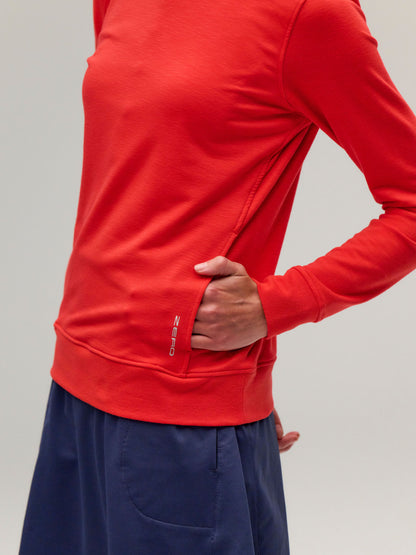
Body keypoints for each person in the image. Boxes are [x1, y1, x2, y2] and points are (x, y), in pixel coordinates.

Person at [19, 0, 416, 553]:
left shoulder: (311, 14)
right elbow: (149, 170)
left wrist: (273, 308)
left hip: (181, 415)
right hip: (75, 384)